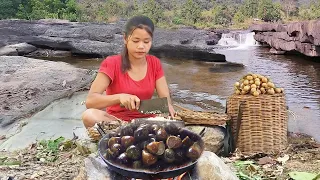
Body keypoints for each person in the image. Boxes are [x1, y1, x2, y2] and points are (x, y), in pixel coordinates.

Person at [81, 15, 175, 128]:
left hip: (147, 121)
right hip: (116, 122)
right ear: (125, 39)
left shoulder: (154, 63)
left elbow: (164, 101)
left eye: (146, 41)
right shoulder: (111, 63)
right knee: (89, 115)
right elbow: (91, 101)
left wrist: (168, 106)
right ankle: (127, 129)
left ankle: (135, 130)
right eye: (136, 41)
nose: (141, 46)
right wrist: (120, 97)